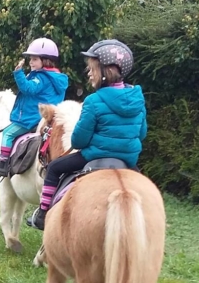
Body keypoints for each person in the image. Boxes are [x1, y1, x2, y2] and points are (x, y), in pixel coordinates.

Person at [27, 39, 147, 230]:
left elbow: (79, 140)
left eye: (93, 69)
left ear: (105, 72)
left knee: (55, 168)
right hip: (127, 160)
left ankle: (42, 213)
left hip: (93, 156)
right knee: (145, 191)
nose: (89, 73)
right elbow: (141, 134)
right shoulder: (137, 99)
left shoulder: (94, 100)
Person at [0, 37, 68, 176]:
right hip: (49, 119)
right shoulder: (57, 78)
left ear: (45, 60)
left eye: (34, 59)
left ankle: (3, 164)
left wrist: (18, 73)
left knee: (8, 133)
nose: (31, 62)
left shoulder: (40, 78)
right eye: (30, 59)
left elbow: (28, 89)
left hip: (32, 118)